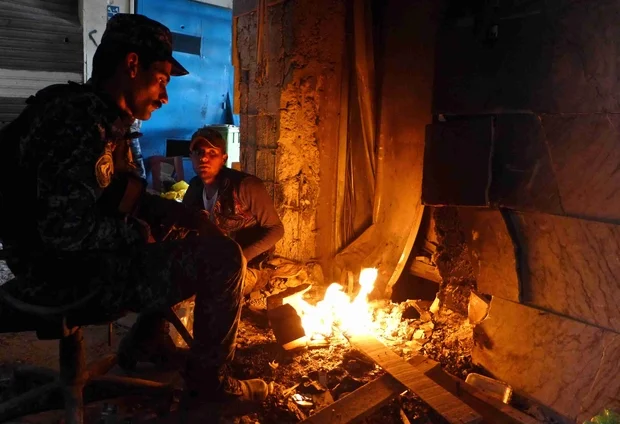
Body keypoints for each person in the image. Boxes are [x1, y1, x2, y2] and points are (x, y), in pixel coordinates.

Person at [0, 13, 268, 405]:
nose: (164, 96)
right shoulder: (79, 124)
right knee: (224, 259)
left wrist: (186, 217)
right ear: (131, 65)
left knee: (183, 230)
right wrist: (136, 232)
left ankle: (146, 340)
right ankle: (210, 386)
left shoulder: (102, 118)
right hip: (63, 277)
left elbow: (119, 196)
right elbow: (65, 231)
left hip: (74, 264)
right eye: (161, 79)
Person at [183, 127, 285, 294]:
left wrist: (243, 257)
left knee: (217, 287)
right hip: (215, 257)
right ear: (191, 157)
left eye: (212, 153)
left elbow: (276, 229)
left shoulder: (246, 186)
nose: (204, 158)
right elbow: (185, 223)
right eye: (198, 152)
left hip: (250, 262)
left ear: (224, 158)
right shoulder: (195, 186)